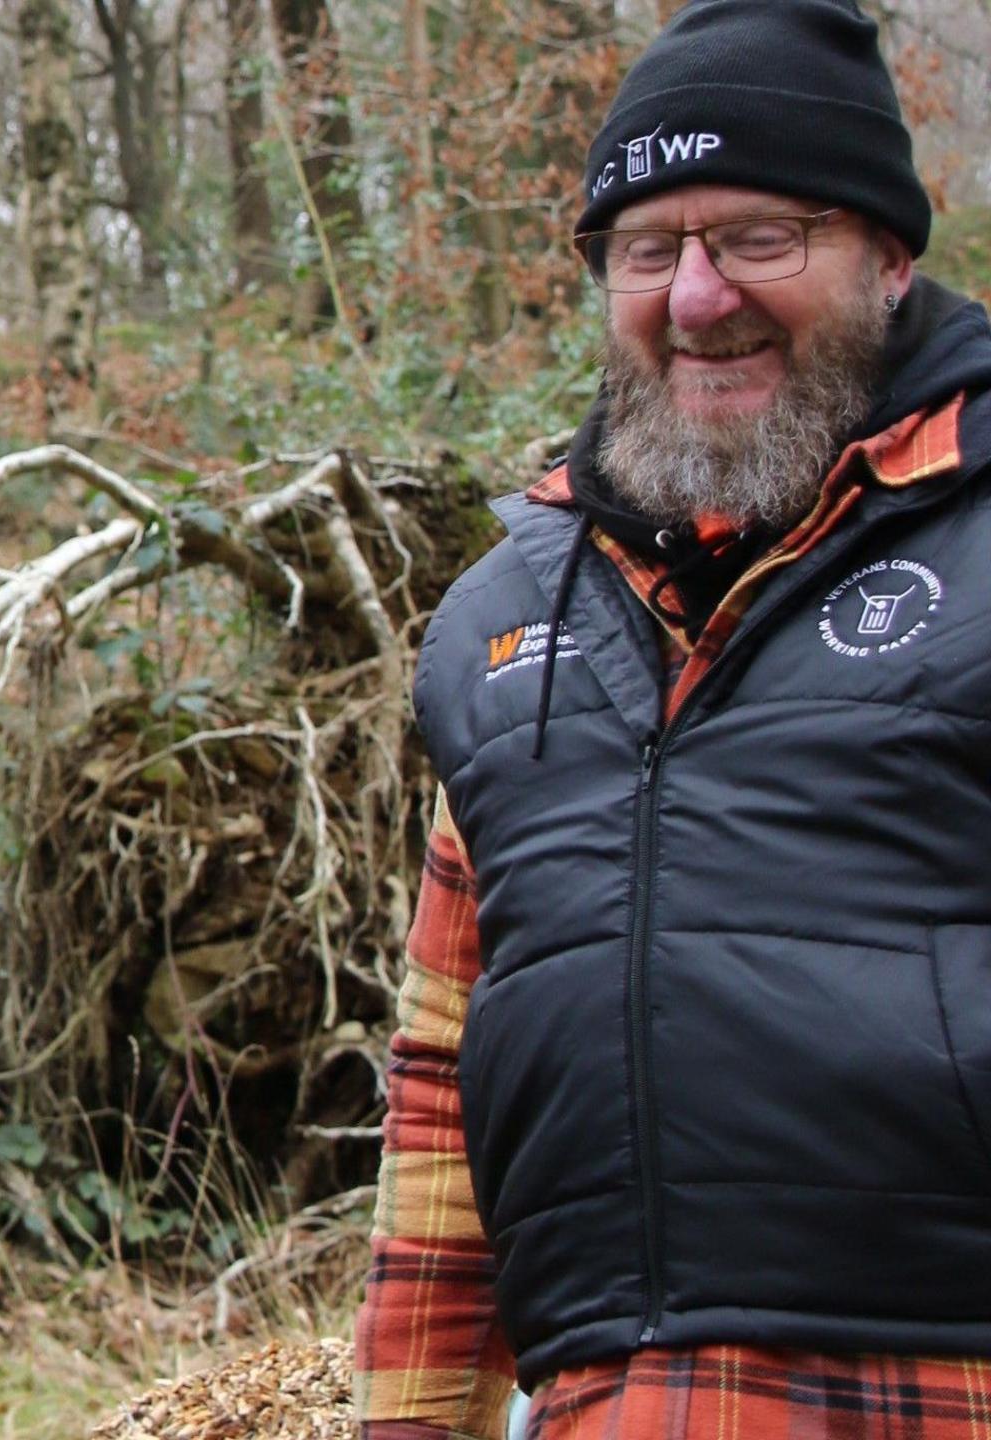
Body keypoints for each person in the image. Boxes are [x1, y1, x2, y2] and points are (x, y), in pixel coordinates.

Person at [354, 1, 991, 1436]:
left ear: (891, 256)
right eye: (649, 249)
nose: (697, 296)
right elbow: (446, 1098)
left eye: (760, 236)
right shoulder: (510, 626)